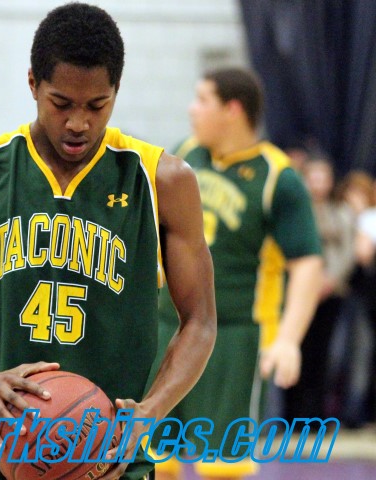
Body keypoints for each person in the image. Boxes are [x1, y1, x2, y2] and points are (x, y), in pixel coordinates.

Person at [0, 3, 216, 480]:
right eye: (62, 103)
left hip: (109, 454)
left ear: (116, 91)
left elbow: (200, 322)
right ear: (33, 84)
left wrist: (152, 410)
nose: (78, 123)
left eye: (97, 105)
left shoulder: (162, 181)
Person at [153, 67, 323, 480]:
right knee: (153, 460)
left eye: (202, 100)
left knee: (221, 467)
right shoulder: (185, 154)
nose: (192, 110)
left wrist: (289, 339)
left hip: (235, 335)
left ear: (232, 109)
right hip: (167, 325)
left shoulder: (278, 178)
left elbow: (307, 264)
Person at [283, 158, 354, 421]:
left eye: (322, 178)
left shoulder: (341, 212)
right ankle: (291, 415)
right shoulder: (295, 211)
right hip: (298, 291)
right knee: (294, 348)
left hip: (331, 292)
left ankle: (316, 415)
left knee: (324, 355)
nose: (317, 184)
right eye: (313, 178)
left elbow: (348, 251)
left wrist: (330, 279)